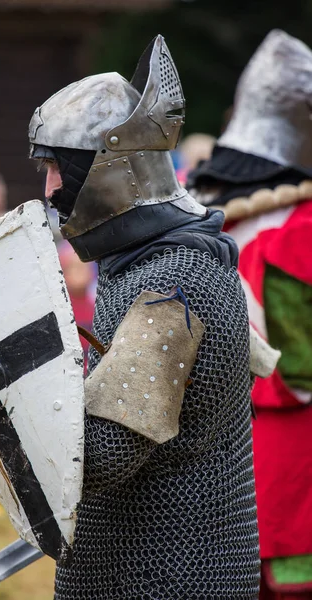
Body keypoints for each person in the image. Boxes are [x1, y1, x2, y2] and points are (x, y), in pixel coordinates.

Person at [28, 34, 259, 599]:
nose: (51, 188)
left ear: (113, 168)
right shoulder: (153, 272)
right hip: (145, 562)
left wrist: (3, 388)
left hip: (170, 574)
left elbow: (102, 454)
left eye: (61, 166)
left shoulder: (172, 286)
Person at [188, 29, 312, 600]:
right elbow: (301, 370)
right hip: (293, 470)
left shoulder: (204, 223)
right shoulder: (299, 232)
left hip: (220, 467)